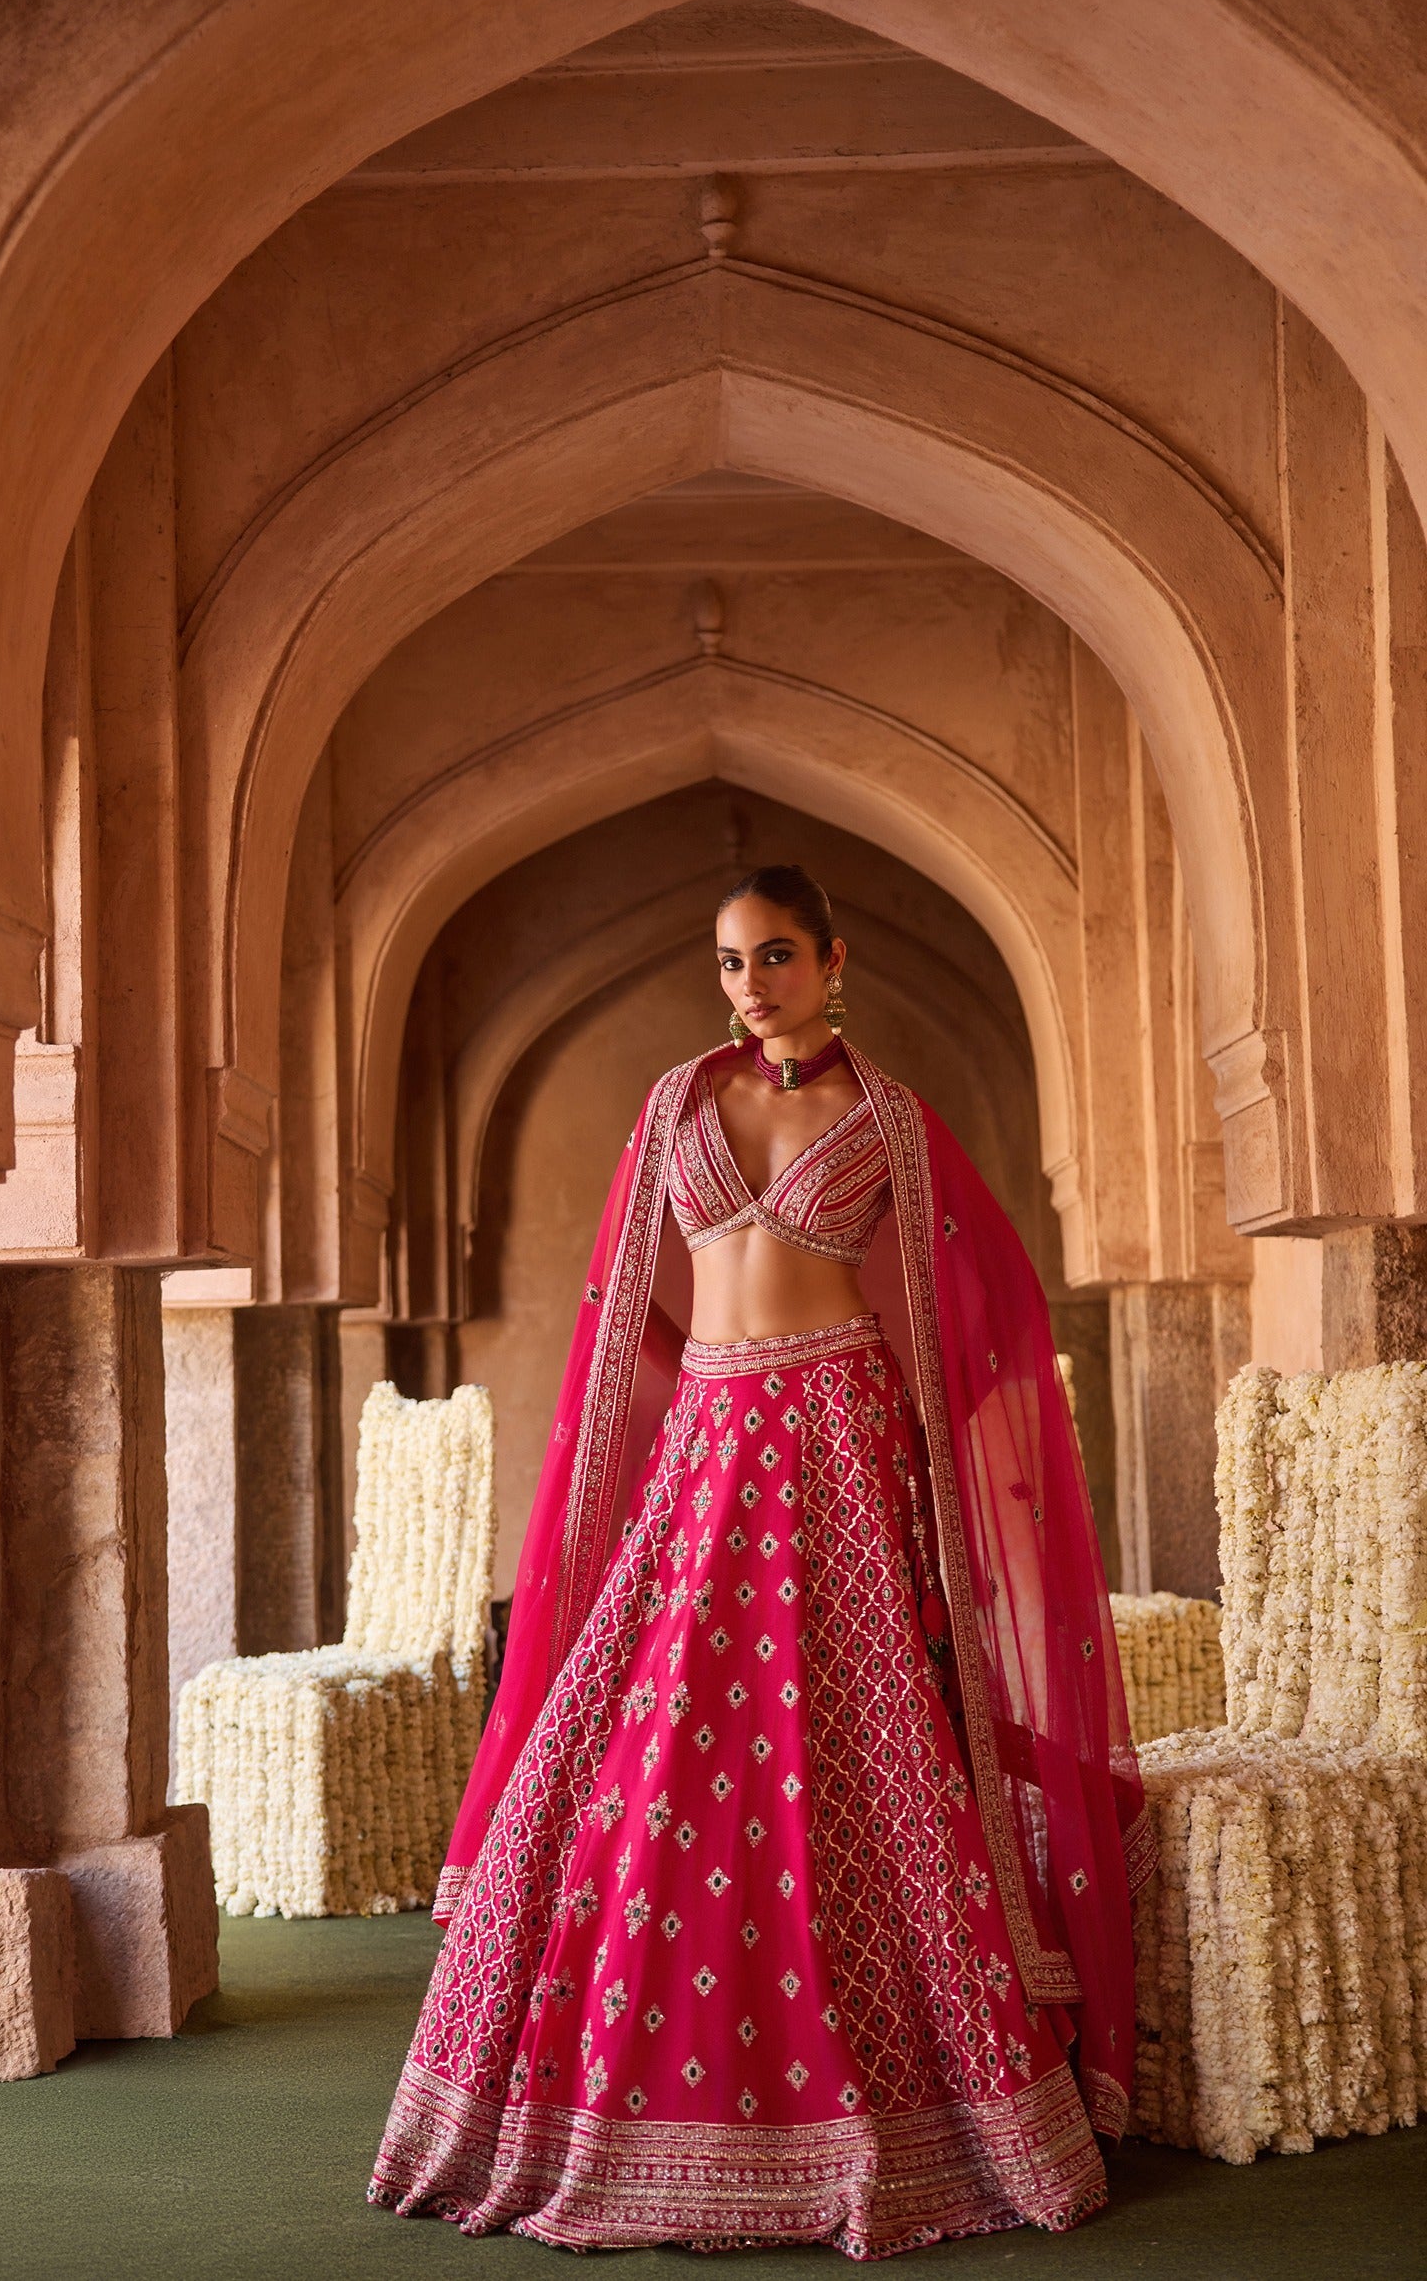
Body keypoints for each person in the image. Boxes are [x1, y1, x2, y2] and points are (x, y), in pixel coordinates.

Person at [369, 865, 1154, 2258]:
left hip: (841, 1440)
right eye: (730, 962)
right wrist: (697, 1403)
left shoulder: (889, 1120)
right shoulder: (674, 1104)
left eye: (775, 956)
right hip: (711, 1440)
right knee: (651, 1736)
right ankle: (580, 2106)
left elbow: (989, 1306)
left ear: (831, 960)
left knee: (853, 1740)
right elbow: (633, 1307)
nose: (750, 984)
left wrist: (917, 1439)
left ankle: (909, 2103)